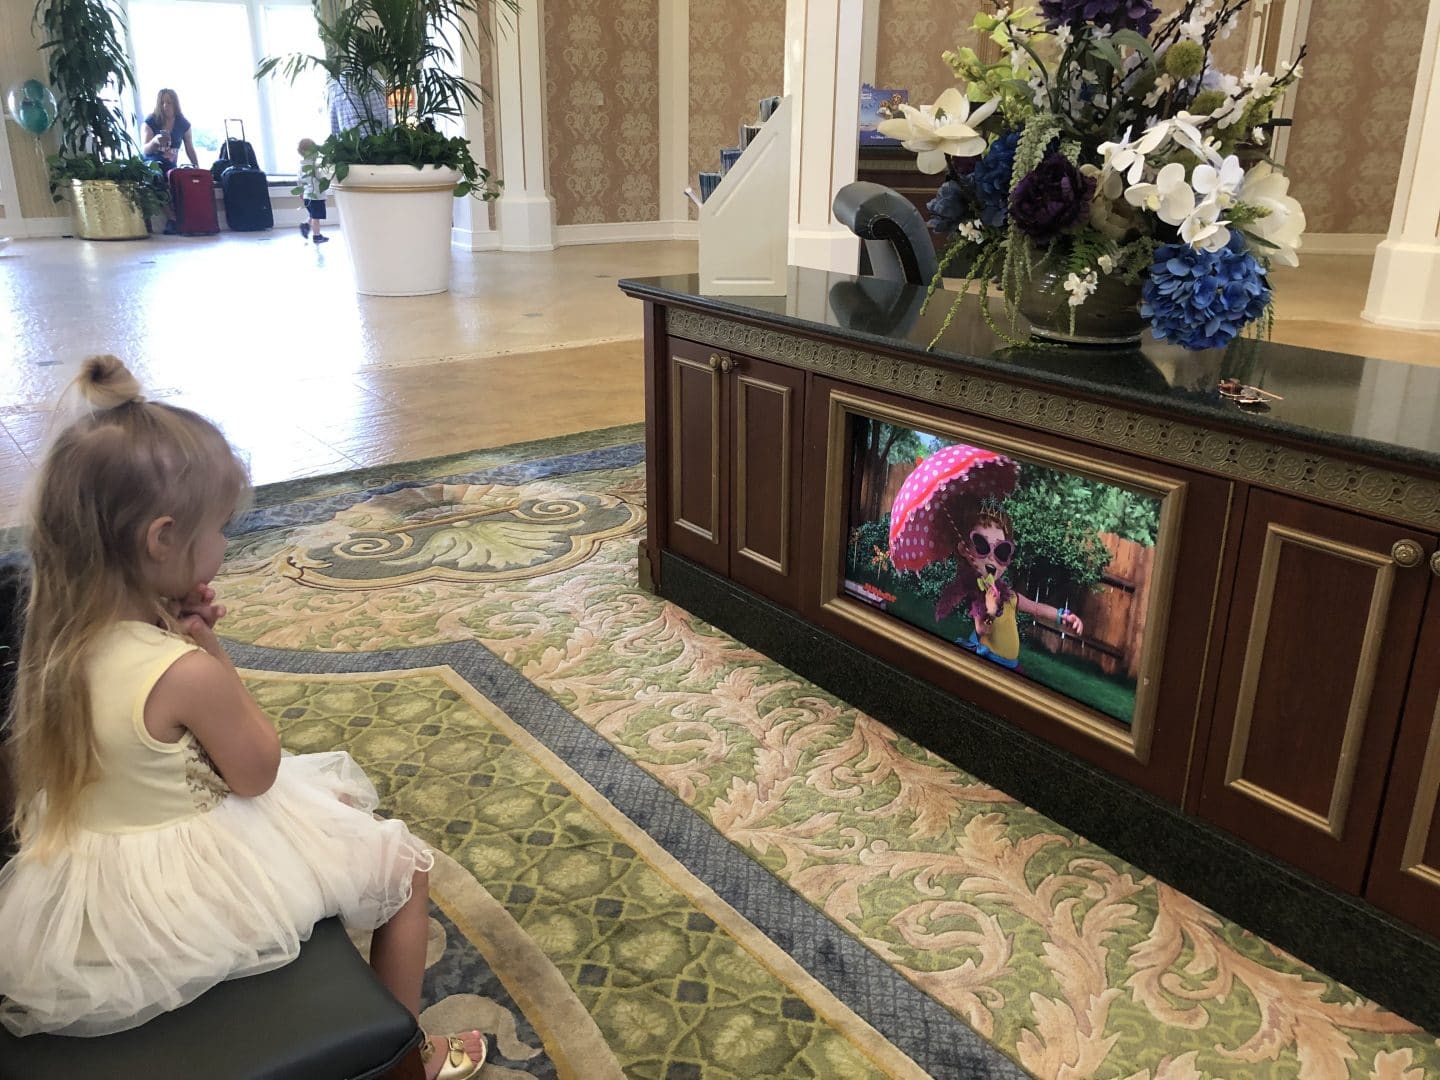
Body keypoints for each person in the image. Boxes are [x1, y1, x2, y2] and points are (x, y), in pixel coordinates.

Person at [0, 356, 486, 1080]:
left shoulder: (51, 641)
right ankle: (402, 1058)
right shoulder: (183, 671)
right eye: (221, 528)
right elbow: (257, 770)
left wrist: (175, 627)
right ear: (162, 540)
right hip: (185, 897)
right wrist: (207, 647)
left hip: (83, 889)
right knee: (404, 865)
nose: (226, 545)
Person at [141, 89, 199, 235]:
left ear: (175, 103)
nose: (166, 106)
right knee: (156, 176)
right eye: (163, 103)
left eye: (169, 102)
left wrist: (197, 168)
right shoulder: (151, 122)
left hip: (170, 165)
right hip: (152, 162)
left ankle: (187, 217)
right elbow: (145, 150)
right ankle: (172, 218)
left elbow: (189, 148)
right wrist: (155, 142)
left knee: (179, 178)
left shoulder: (183, 124)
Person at [327, 72, 392, 137]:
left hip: (358, 141)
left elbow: (335, 128)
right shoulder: (364, 79)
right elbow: (383, 120)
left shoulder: (337, 86)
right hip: (371, 142)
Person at [297, 137, 329, 244]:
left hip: (307, 196)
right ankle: (317, 236)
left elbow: (299, 181)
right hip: (316, 196)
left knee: (313, 214)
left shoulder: (301, 166)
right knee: (316, 217)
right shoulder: (314, 166)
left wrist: (301, 193)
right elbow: (321, 178)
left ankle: (305, 224)